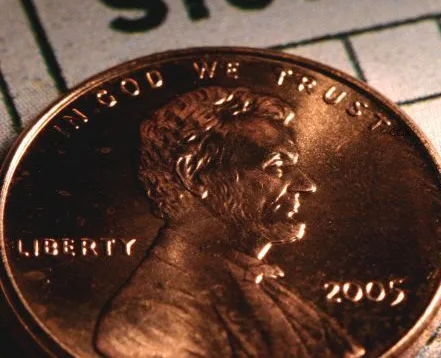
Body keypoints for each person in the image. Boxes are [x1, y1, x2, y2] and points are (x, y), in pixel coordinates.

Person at [94, 86, 365, 358]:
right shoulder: (148, 321)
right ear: (195, 175)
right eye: (277, 166)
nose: (307, 185)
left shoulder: (264, 286)